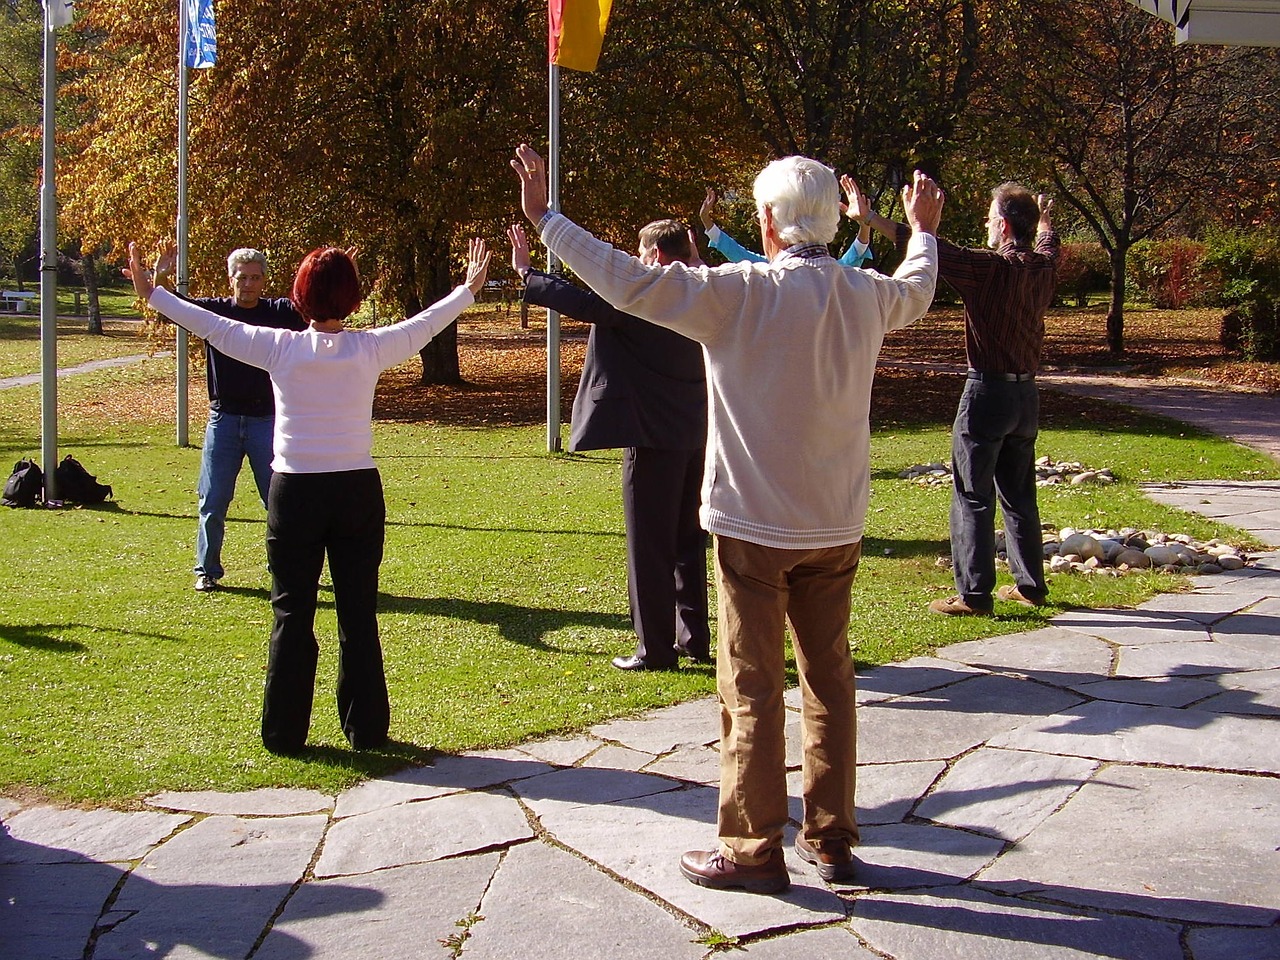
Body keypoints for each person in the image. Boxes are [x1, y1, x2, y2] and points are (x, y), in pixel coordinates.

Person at [512, 143, 942, 892]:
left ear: (768, 224)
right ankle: (832, 840)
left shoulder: (737, 292)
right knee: (830, 680)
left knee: (750, 688)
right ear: (831, 225)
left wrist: (547, 217)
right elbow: (919, 284)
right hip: (835, 525)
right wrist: (923, 228)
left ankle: (750, 851)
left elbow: (627, 280)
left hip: (752, 528)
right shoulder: (863, 293)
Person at [128, 239, 491, 754]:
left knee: (292, 611)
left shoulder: (281, 346)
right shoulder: (369, 347)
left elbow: (213, 326)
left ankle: (284, 734)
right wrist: (466, 291)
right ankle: (366, 729)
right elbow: (426, 324)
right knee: (357, 612)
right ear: (353, 297)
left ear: (299, 296)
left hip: (295, 491)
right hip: (355, 492)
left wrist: (155, 295)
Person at [508, 221, 711, 672]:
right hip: (695, 430)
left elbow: (580, 300)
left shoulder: (643, 295)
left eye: (639, 253)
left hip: (649, 432)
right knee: (687, 539)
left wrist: (526, 273)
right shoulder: (702, 289)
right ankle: (693, 638)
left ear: (656, 255)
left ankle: (655, 650)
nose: (634, 262)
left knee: (649, 545)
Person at [863, 182, 1059, 616]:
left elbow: (931, 248)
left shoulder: (990, 269)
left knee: (971, 493)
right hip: (1027, 395)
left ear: (1004, 227)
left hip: (987, 393)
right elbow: (1048, 239)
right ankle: (1030, 586)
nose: (986, 223)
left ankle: (973, 594)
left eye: (990, 217)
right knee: (1020, 493)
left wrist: (881, 221)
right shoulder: (1043, 266)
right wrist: (1045, 216)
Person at [156, 249, 306, 592]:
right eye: (242, 277)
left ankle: (284, 568)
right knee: (213, 498)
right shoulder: (217, 312)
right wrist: (161, 276)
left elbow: (319, 306)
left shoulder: (279, 312)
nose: (248, 284)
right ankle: (206, 570)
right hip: (224, 419)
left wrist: (342, 272)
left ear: (264, 281)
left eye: (255, 278)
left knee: (278, 500)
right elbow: (172, 306)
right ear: (231, 279)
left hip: (266, 420)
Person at [698, 184, 874, 268]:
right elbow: (853, 258)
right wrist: (866, 223)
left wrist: (707, 221)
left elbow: (734, 252)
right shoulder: (836, 274)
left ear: (770, 224)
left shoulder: (768, 270)